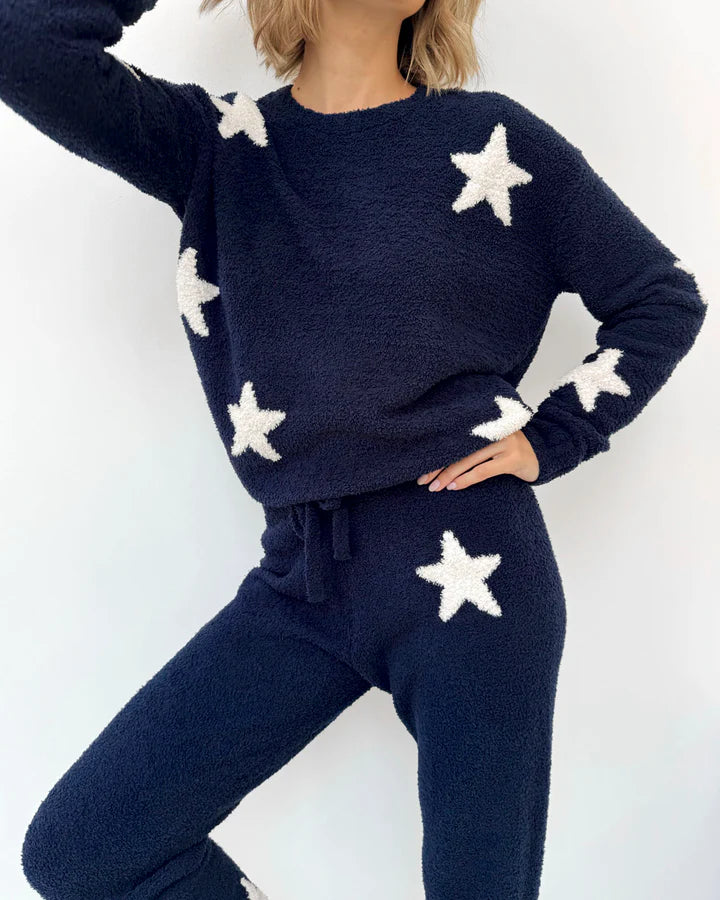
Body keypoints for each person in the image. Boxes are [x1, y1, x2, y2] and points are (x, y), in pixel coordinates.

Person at [1, 1, 707, 898]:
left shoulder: (494, 140)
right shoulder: (221, 147)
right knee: (84, 848)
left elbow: (660, 300)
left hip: (475, 566)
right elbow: (22, 41)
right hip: (303, 579)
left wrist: (553, 437)